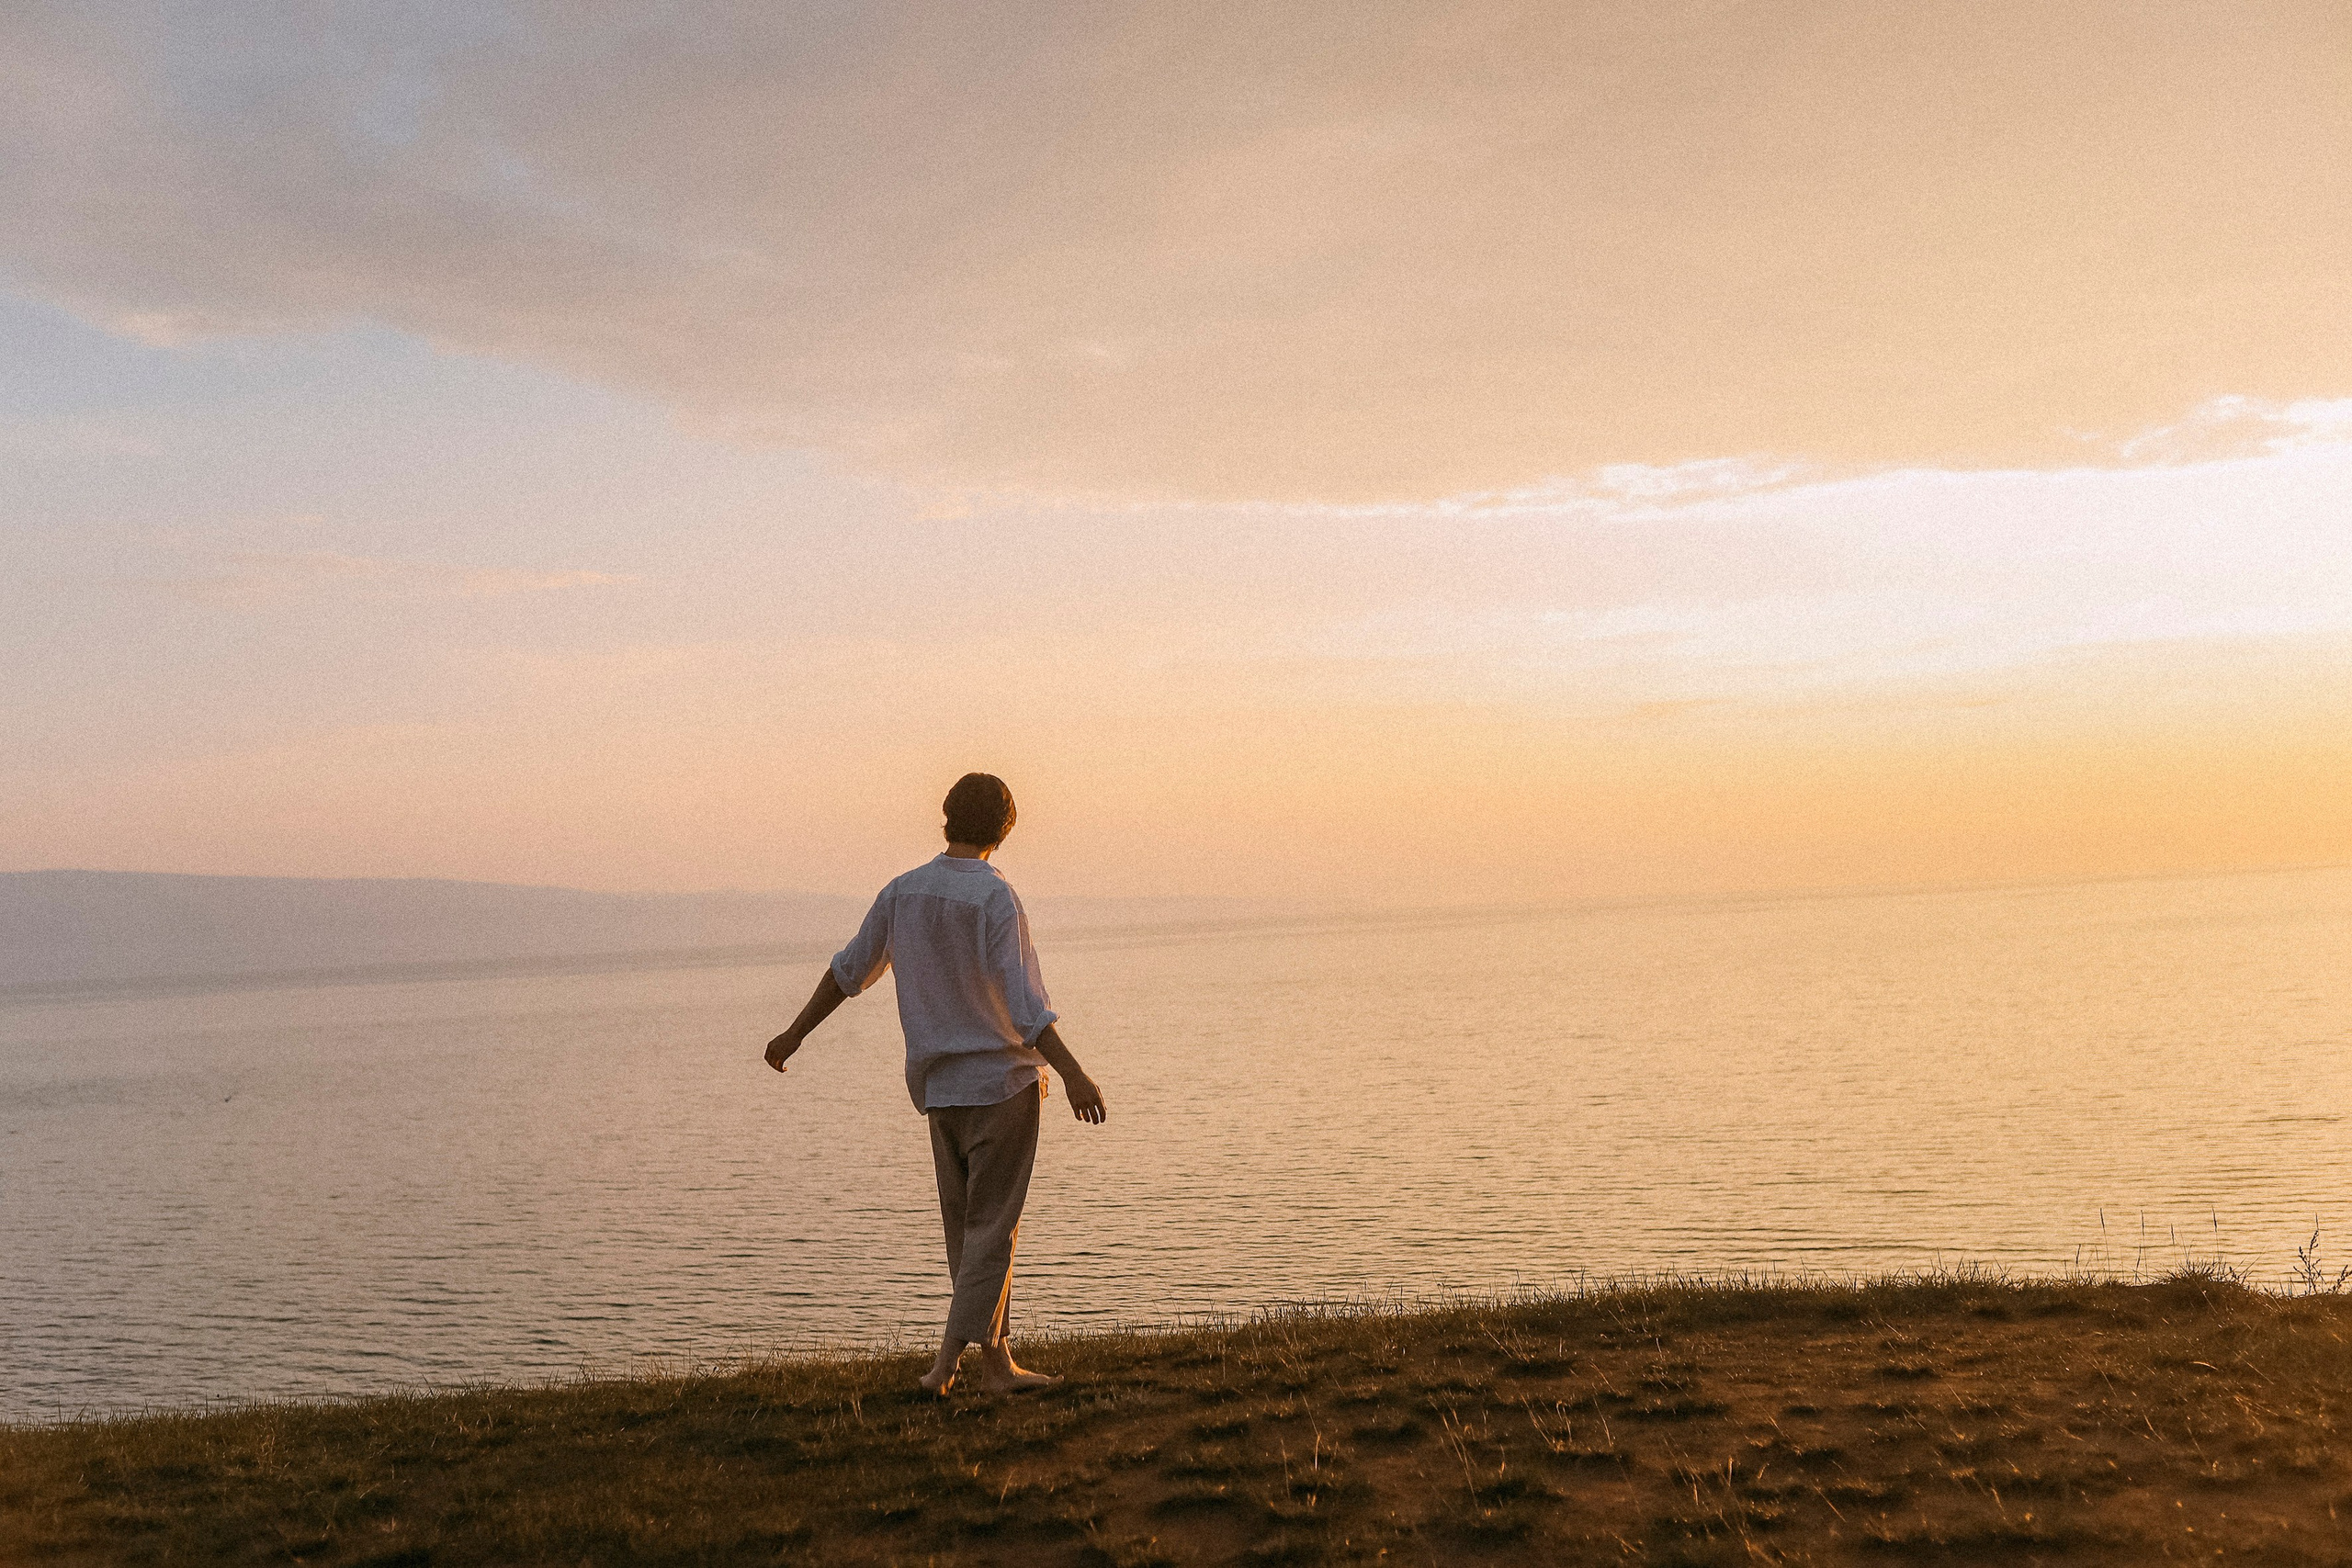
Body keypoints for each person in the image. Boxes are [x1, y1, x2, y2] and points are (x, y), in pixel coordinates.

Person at [763, 773, 1107, 1395]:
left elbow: (846, 973)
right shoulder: (995, 898)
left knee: (969, 1234)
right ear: (1006, 826)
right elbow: (1026, 1005)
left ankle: (997, 1364)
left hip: (940, 1089)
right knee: (990, 1230)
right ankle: (946, 1365)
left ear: (946, 818)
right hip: (1002, 1084)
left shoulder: (903, 893)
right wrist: (1074, 1071)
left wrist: (793, 1034)